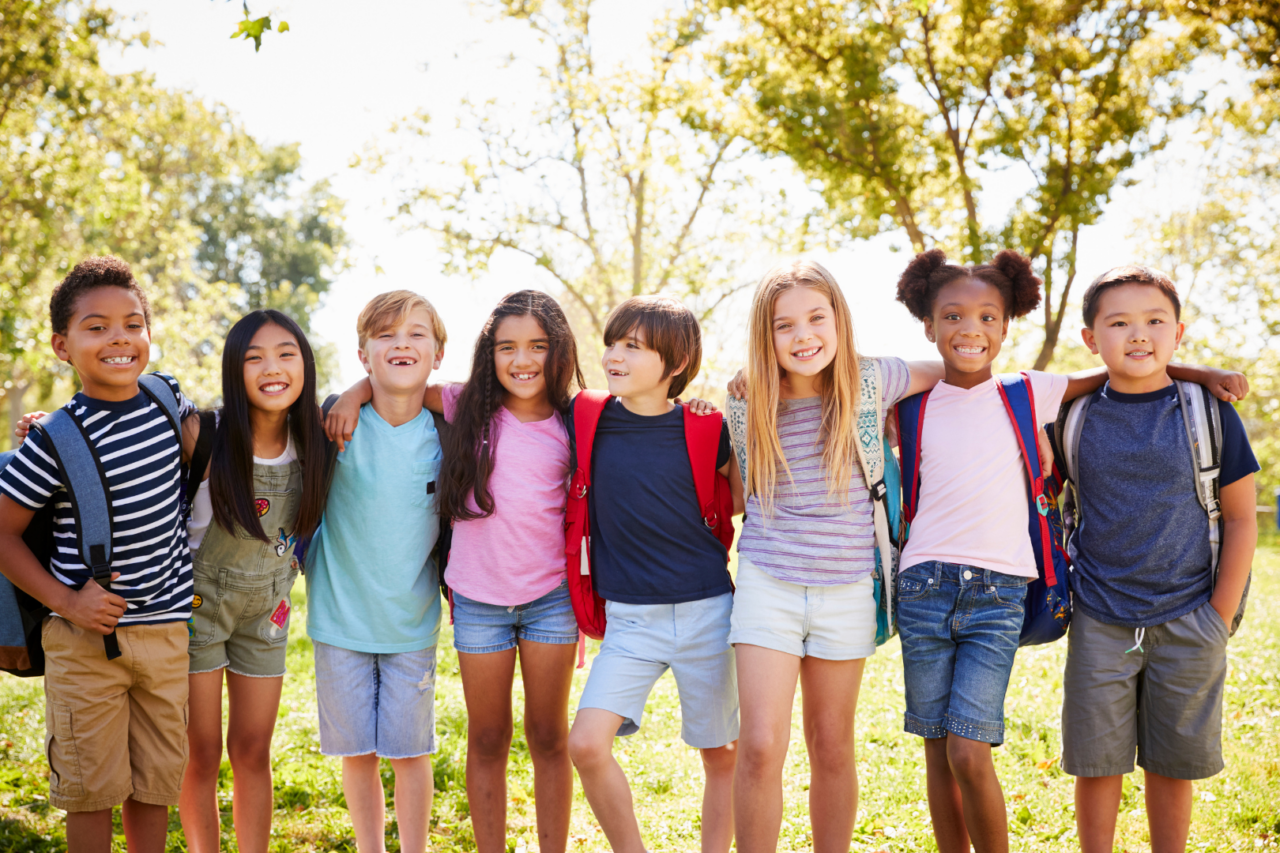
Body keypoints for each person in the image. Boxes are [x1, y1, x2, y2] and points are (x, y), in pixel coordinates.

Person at [891, 250, 1247, 853]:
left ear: (1007, 326)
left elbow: (1130, 373)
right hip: (1000, 600)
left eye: (986, 317)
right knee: (981, 751)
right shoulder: (942, 402)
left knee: (1161, 763)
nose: (970, 329)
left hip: (1118, 605)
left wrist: (1205, 375)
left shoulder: (1047, 393)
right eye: (952, 316)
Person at [326, 290, 584, 853]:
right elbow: (399, 382)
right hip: (478, 602)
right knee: (487, 738)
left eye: (538, 347)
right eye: (507, 346)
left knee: (548, 737)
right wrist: (352, 391)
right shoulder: (466, 405)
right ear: (488, 353)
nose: (522, 360)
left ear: (559, 351)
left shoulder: (576, 421)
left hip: (551, 600)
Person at [726, 259, 946, 853]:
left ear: (839, 321)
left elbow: (964, 364)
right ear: (764, 336)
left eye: (816, 318)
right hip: (768, 581)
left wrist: (1177, 368)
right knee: (761, 744)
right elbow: (734, 490)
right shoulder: (747, 403)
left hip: (848, 586)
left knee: (830, 742)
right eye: (784, 326)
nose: (803, 337)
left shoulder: (874, 380)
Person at [1056, 266, 1257, 853]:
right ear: (1092, 339)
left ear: (1178, 332)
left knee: (1173, 763)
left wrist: (1218, 614)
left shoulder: (1209, 413)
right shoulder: (1074, 414)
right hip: (1099, 614)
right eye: (1118, 323)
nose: (1138, 335)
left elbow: (1241, 516)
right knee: (1097, 763)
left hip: (1192, 612)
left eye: (1154, 322)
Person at [0, 256, 197, 853]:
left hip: (166, 635)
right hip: (85, 645)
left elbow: (212, 457)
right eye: (97, 326)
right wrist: (66, 601)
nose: (119, 338)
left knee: (155, 785)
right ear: (63, 345)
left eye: (133, 323)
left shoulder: (169, 401)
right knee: (89, 790)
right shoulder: (53, 441)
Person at [564, 295, 741, 853]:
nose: (614, 355)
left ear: (677, 363)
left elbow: (740, 499)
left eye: (633, 347)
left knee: (722, 756)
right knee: (587, 745)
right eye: (613, 343)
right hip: (629, 621)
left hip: (708, 611)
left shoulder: (707, 427)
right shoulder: (586, 416)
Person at [177, 310, 329, 853]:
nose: (273, 368)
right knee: (202, 752)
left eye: (287, 354)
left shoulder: (317, 441)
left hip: (268, 614)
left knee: (252, 751)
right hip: (197, 608)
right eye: (254, 357)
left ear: (305, 365)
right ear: (233, 370)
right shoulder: (204, 432)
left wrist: (355, 396)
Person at [305, 290, 448, 853]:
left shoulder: (447, 430)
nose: (401, 343)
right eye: (386, 335)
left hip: (411, 623)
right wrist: (351, 394)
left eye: (417, 334)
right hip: (340, 619)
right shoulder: (334, 427)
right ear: (364, 353)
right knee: (357, 754)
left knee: (412, 753)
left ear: (438, 353)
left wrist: (357, 387)